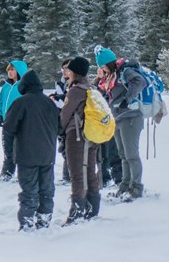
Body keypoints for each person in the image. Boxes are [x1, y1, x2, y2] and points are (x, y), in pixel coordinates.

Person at [3, 69, 60, 231]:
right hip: (48, 154)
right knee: (47, 190)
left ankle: (27, 223)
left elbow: (9, 126)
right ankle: (44, 221)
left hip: (26, 155)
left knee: (29, 191)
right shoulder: (49, 103)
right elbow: (60, 126)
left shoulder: (20, 103)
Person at [95, 46, 146, 200]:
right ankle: (125, 184)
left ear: (109, 63)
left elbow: (140, 82)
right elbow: (102, 92)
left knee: (131, 154)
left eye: (103, 66)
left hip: (131, 117)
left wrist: (127, 99)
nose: (102, 69)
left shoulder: (125, 72)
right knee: (122, 154)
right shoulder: (110, 77)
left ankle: (136, 186)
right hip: (118, 118)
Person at [60, 57, 100, 224]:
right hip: (91, 135)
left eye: (69, 70)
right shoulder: (91, 88)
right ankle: (92, 208)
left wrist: (59, 130)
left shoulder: (75, 91)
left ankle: (76, 212)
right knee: (90, 171)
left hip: (76, 136)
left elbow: (65, 115)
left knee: (77, 173)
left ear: (74, 72)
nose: (67, 72)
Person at [0, 60, 28, 181]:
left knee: (21, 148)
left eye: (12, 70)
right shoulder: (5, 87)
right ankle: (7, 171)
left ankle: (24, 173)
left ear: (19, 71)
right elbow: (1, 102)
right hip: (7, 122)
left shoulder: (24, 86)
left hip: (21, 123)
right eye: (8, 70)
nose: (10, 72)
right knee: (7, 147)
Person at [94, 66, 122, 186]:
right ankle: (103, 177)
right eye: (98, 69)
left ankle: (118, 178)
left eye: (102, 69)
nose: (99, 71)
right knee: (101, 152)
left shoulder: (111, 83)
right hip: (99, 124)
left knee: (113, 152)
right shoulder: (97, 84)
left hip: (110, 122)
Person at [49, 59, 71, 184]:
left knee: (69, 148)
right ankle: (67, 175)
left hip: (71, 120)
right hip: (60, 120)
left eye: (67, 68)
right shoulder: (60, 84)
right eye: (63, 68)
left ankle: (68, 176)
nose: (64, 71)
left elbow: (66, 101)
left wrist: (58, 99)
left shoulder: (74, 84)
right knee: (63, 148)